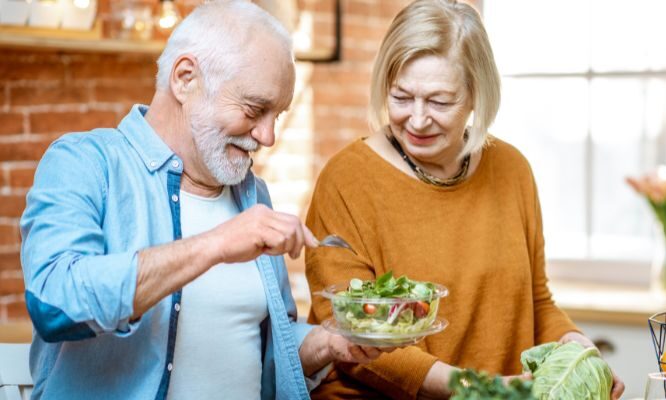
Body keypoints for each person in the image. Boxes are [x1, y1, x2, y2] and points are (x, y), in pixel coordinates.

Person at [19, 1, 389, 399]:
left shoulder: (252, 194)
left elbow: (258, 356)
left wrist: (326, 345)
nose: (267, 137)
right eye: (254, 108)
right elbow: (54, 303)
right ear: (185, 78)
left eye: (277, 116)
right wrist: (215, 244)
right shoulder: (85, 163)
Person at [304, 0, 626, 398]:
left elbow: (536, 301)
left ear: (477, 95)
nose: (418, 119)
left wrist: (581, 353)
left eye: (440, 101)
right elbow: (354, 340)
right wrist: (482, 389)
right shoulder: (347, 180)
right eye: (402, 97)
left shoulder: (511, 170)